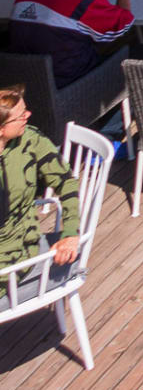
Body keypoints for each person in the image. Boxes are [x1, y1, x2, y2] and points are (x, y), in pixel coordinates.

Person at [0, 85, 83, 282]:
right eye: (20, 116)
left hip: (15, 254)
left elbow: (66, 182)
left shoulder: (29, 140)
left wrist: (71, 232)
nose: (28, 115)